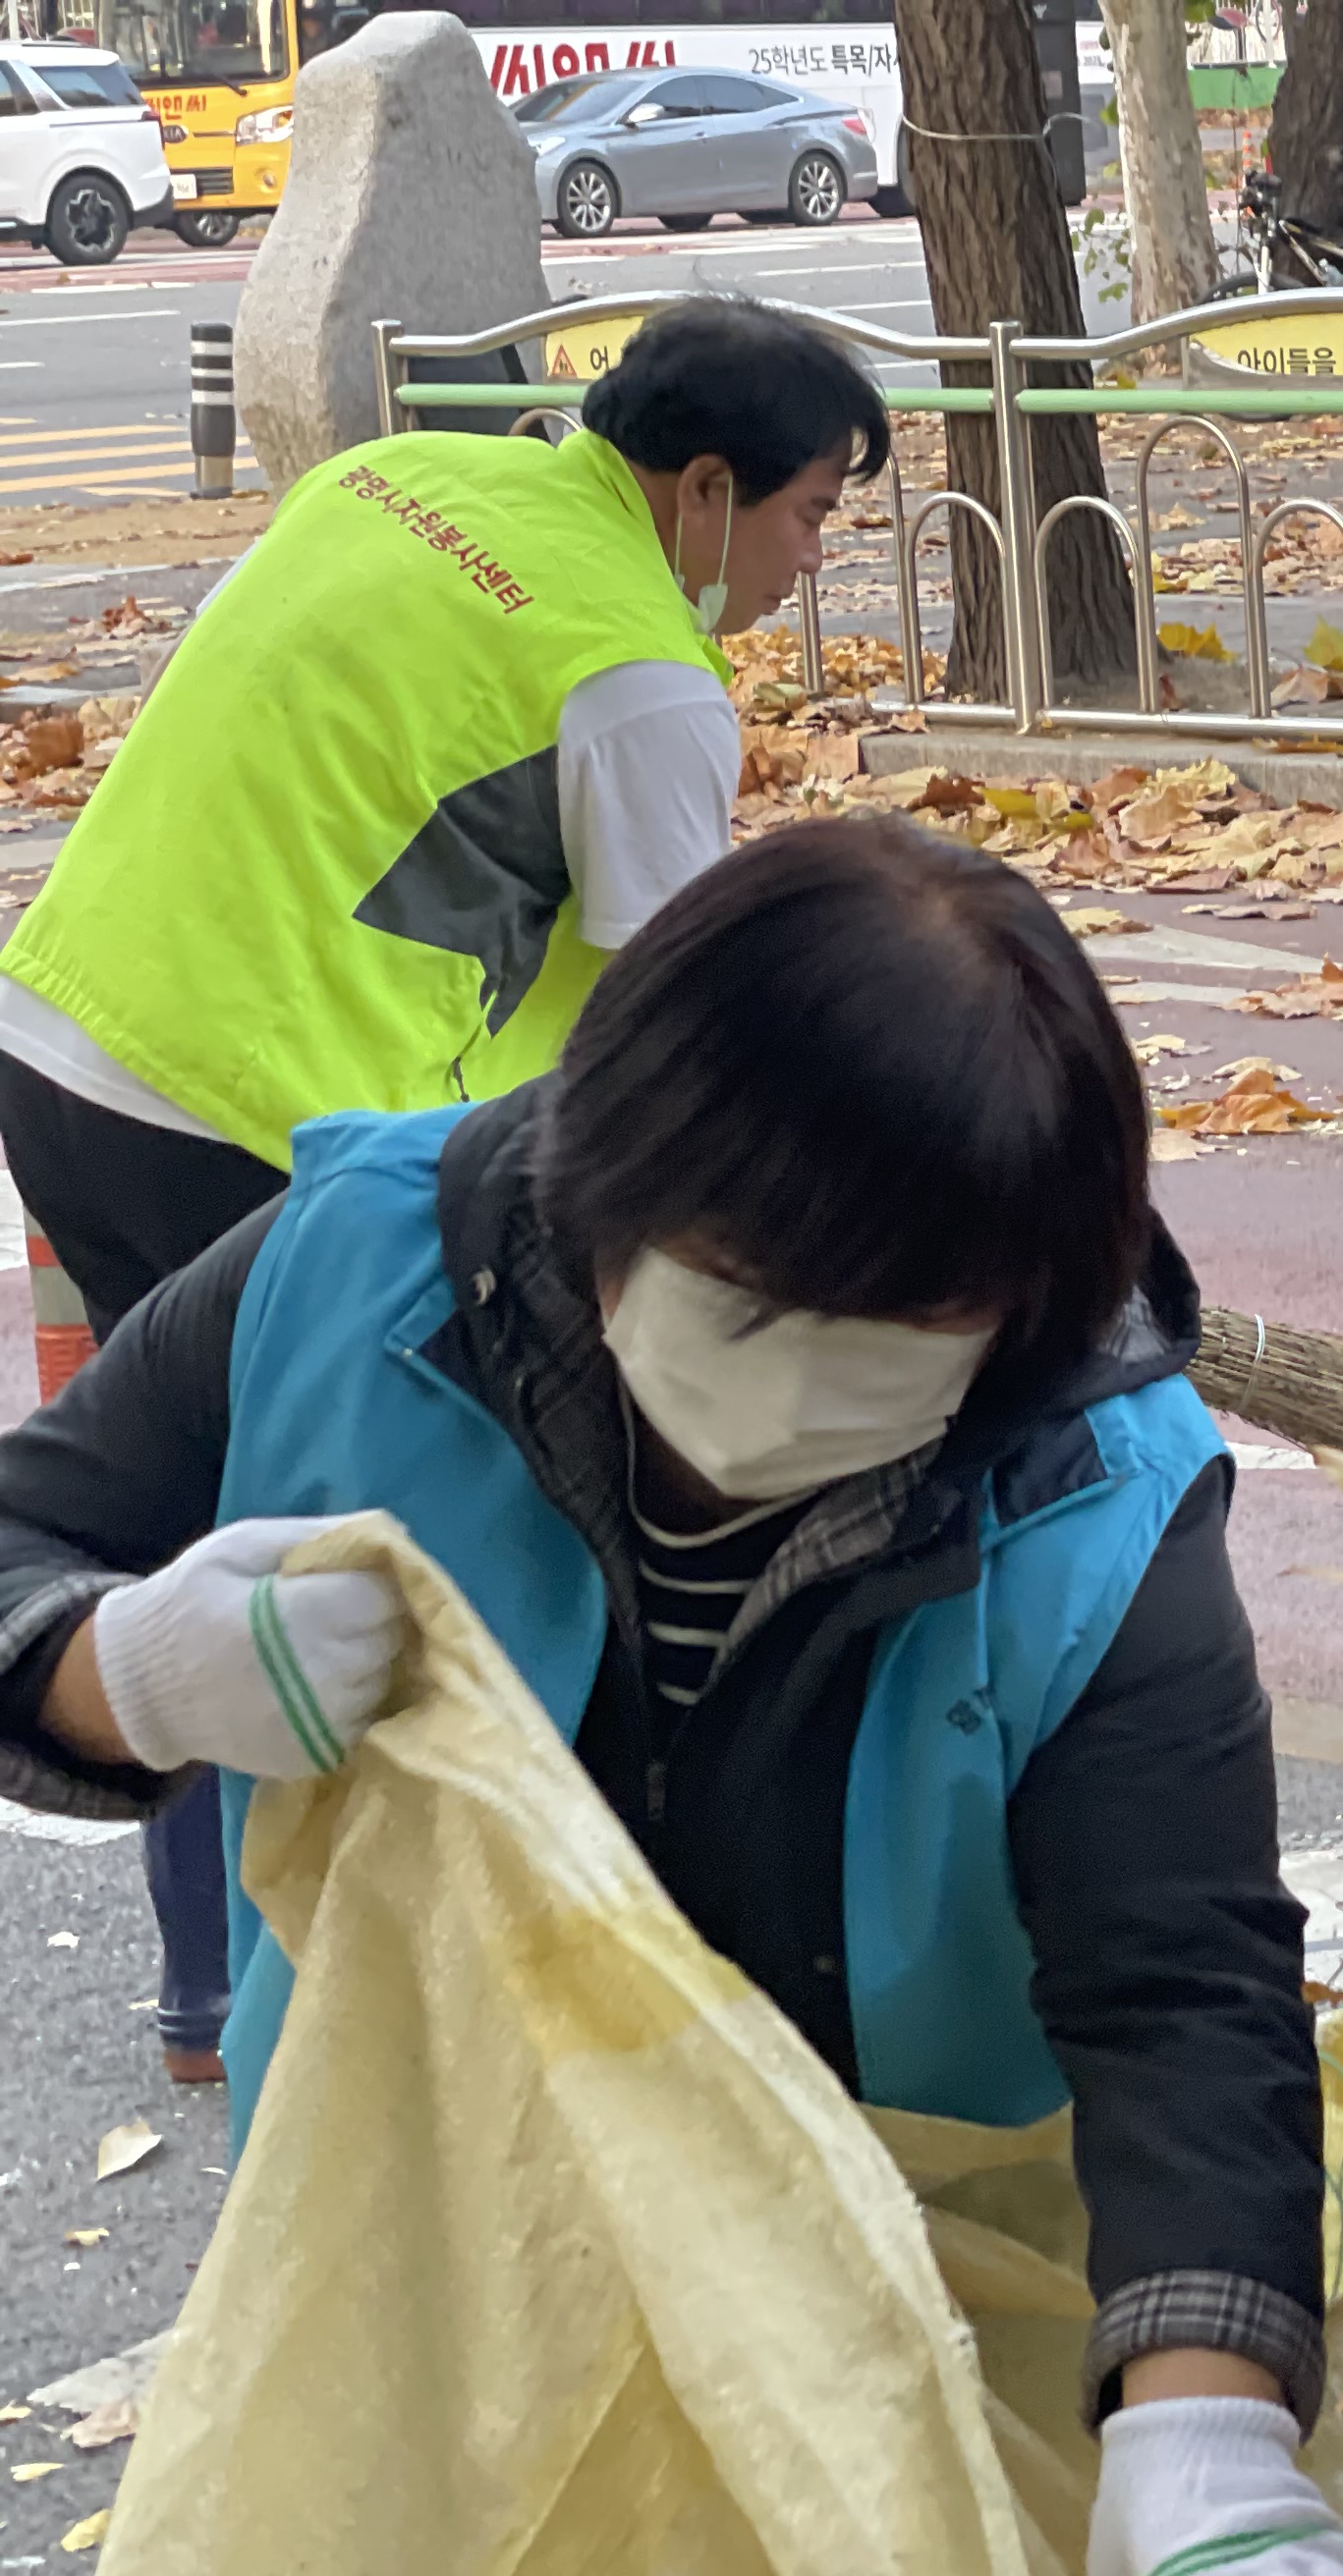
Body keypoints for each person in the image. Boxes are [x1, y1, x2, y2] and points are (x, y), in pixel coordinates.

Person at [0, 816, 1343, 2576]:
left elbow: (1180, 1982)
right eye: (749, 1302)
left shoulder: (1094, 1490)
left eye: (902, 1336)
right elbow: (28, 1552)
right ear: (602, 1184)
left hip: (896, 2336)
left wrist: (1203, 2418)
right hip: (413, 2289)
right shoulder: (345, 1275)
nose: (792, 1388)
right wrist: (126, 1671)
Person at [0, 295, 886, 2086]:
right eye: (811, 515)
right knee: (343, 1559)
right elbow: (672, 1035)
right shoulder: (639, 675)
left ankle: (204, 1998)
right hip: (263, 1118)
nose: (815, 561)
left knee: (187, 1523)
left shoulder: (394, 479)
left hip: (64, 1028)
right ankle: (334, 2016)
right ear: (706, 490)